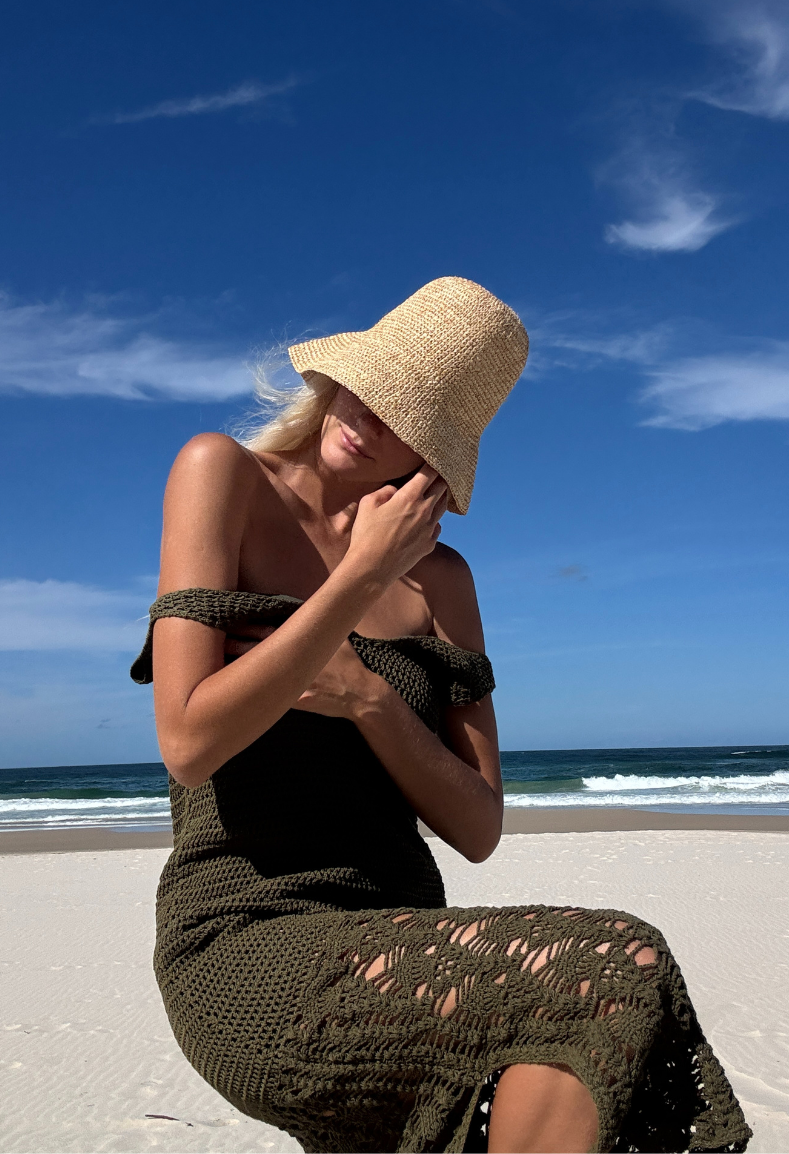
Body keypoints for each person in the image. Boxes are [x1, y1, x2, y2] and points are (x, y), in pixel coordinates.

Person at [132, 277, 750, 1153]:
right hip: (247, 936)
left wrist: (370, 698)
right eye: (373, 383)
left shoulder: (446, 583)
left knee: (569, 1067)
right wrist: (359, 579)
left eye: (410, 416)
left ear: (437, 457)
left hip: (411, 943)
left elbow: (478, 825)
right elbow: (188, 742)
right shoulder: (222, 473)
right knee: (617, 963)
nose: (371, 417)